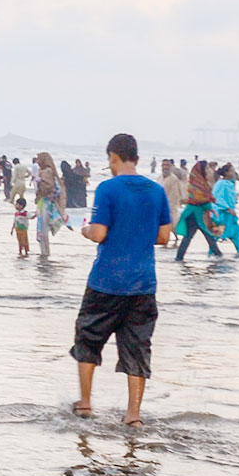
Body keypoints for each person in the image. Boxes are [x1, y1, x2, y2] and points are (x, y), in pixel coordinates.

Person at [71, 133, 172, 425]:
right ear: (136, 158)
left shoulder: (107, 188)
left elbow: (99, 233)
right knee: (138, 346)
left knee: (88, 337)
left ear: (113, 156)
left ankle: (86, 403)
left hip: (106, 280)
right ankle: (133, 414)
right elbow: (164, 237)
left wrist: (86, 231)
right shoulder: (156, 190)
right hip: (143, 282)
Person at [173, 160, 223, 260]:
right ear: (201, 171)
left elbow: (203, 199)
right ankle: (219, 256)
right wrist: (210, 208)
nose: (209, 171)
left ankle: (179, 258)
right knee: (206, 236)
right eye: (207, 169)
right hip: (194, 214)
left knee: (191, 237)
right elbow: (199, 199)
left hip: (198, 213)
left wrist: (210, 208)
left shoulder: (202, 183)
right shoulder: (197, 184)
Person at [211, 162, 239, 254]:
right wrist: (228, 208)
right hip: (222, 214)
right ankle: (211, 253)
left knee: (236, 233)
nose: (233, 173)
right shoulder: (221, 184)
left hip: (229, 215)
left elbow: (229, 196)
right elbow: (218, 198)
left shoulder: (229, 183)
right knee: (216, 235)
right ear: (226, 173)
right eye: (232, 171)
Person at [35, 150, 64, 257]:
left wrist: (39, 182)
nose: (37, 161)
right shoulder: (46, 171)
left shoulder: (47, 171)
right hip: (45, 202)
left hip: (46, 203)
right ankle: (44, 252)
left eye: (38, 159)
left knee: (43, 229)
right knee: (42, 229)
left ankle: (45, 252)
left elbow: (48, 186)